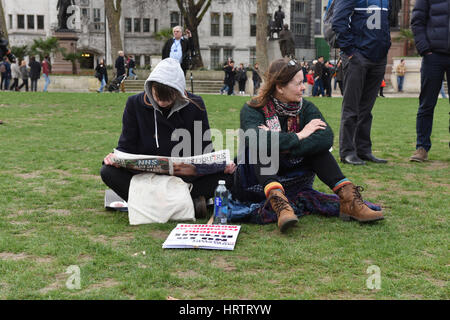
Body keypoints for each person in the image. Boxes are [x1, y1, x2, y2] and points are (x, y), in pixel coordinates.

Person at [239, 58, 384, 232]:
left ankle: (349, 200)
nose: (304, 87)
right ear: (279, 87)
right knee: (262, 149)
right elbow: (256, 140)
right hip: (256, 179)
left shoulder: (306, 108)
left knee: (318, 150)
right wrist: (300, 135)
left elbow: (325, 138)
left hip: (293, 173)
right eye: (299, 83)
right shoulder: (253, 109)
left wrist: (280, 143)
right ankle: (280, 205)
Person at [100, 58, 235, 216]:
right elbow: (126, 145)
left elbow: (204, 148)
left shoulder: (195, 104)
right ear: (151, 88)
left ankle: (151, 205)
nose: (162, 103)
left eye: (169, 98)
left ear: (179, 92)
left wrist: (220, 165)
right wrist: (115, 159)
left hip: (183, 181)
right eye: (158, 96)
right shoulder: (134, 103)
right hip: (147, 180)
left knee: (229, 177)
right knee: (107, 171)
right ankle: (187, 203)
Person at [332, 0, 391, 165]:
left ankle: (363, 150)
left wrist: (386, 46)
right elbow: (338, 21)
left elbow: (385, 24)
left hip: (378, 58)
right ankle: (347, 152)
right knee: (351, 108)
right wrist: (350, 51)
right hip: (358, 57)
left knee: (367, 109)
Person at [410, 0, 450, 163]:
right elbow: (417, 21)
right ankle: (422, 148)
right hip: (433, 56)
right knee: (426, 104)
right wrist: (424, 49)